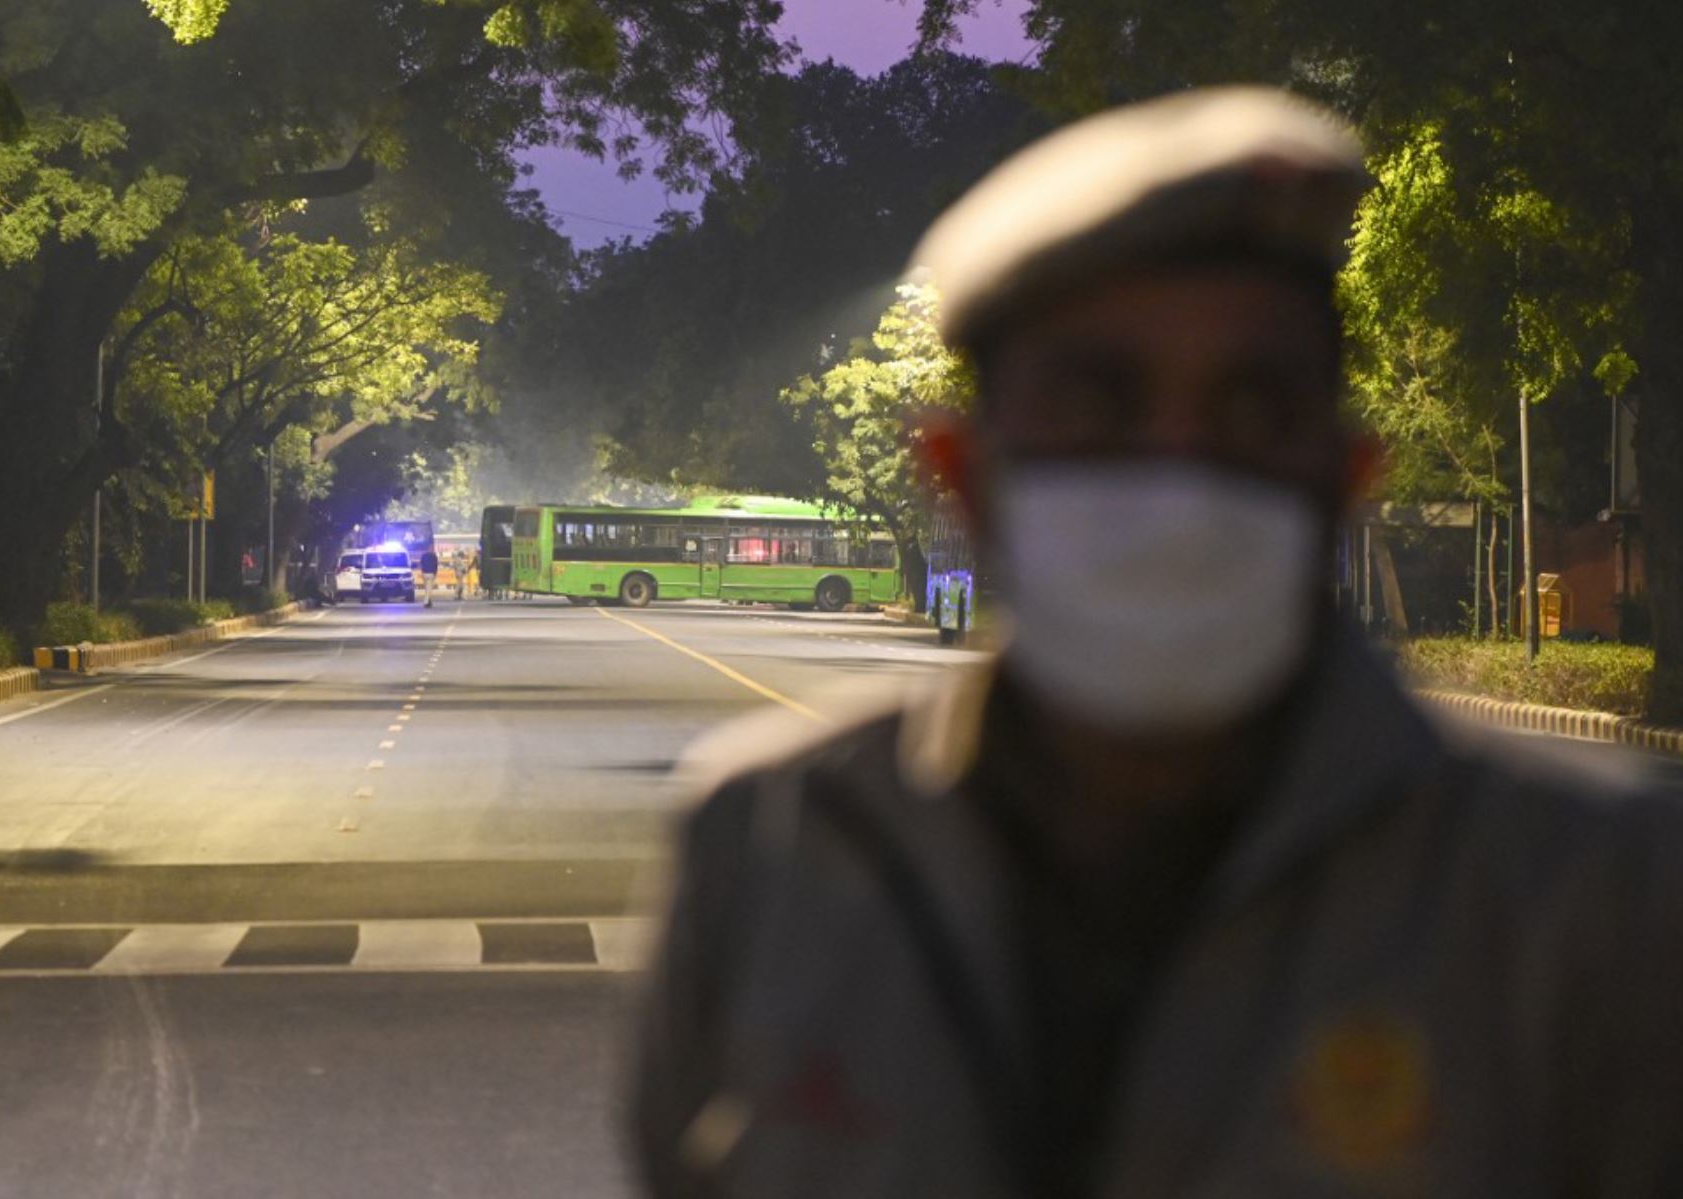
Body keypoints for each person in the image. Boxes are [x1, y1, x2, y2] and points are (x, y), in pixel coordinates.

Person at [631, 87, 1683, 1197]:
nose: (1176, 474)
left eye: (1249, 411)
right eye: (1099, 404)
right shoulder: (772, 842)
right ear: (961, 473)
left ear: (1344, 477)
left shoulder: (1587, 888)